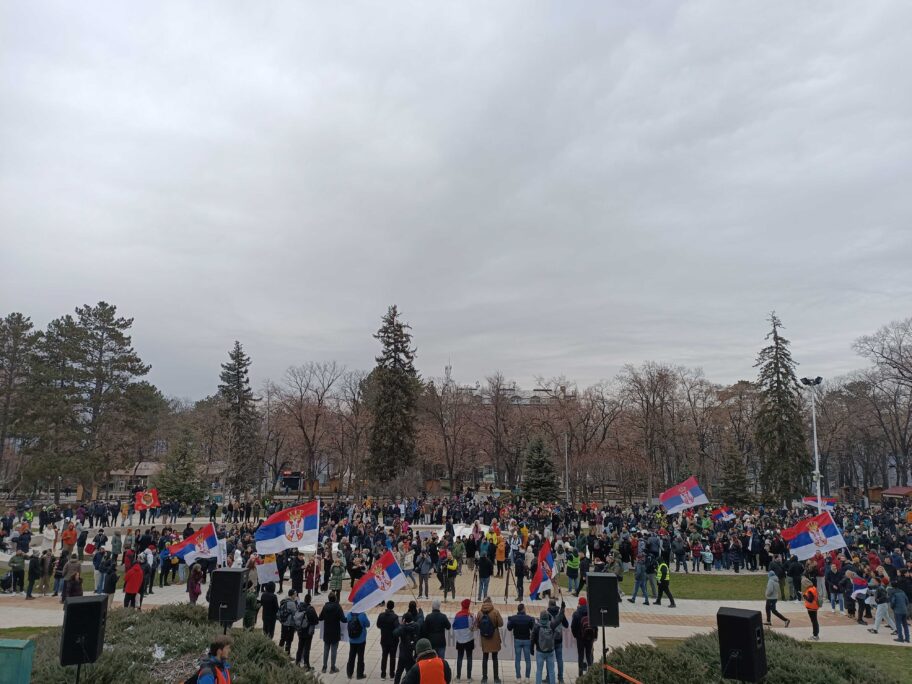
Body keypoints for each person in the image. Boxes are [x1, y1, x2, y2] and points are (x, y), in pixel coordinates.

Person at [475, 596, 504, 684]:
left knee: (485, 657)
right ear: (491, 602)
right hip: (494, 637)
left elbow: (477, 625)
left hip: (484, 638)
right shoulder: (495, 612)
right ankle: (496, 678)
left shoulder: (480, 613)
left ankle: (484, 678)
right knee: (495, 658)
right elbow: (501, 624)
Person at [319, 591, 348, 674]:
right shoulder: (337, 607)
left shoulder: (325, 607)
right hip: (335, 631)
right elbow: (343, 619)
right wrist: (349, 618)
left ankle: (324, 667)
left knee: (326, 649)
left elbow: (320, 618)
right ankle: (332, 667)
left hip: (327, 631)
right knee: (334, 650)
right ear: (335, 598)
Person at [507, 602, 535, 682]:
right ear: (523, 609)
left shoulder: (514, 618)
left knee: (517, 660)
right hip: (526, 640)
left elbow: (509, 628)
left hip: (517, 640)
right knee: (528, 660)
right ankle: (527, 678)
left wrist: (510, 620)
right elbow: (533, 628)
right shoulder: (529, 618)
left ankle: (518, 678)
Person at [394, 609, 423, 684]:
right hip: (412, 654)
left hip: (403, 654)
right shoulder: (416, 626)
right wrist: (421, 612)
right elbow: (421, 619)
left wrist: (402, 625)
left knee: (398, 672)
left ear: (404, 620)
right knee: (411, 674)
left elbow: (395, 633)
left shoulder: (402, 628)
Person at [531, 609, 560, 684]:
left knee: (539, 671)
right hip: (550, 651)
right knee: (551, 671)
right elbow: (559, 619)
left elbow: (532, 638)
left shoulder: (537, 626)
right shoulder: (551, 625)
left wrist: (532, 649)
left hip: (540, 651)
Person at [570, 597, 596, 676]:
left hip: (580, 638)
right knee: (589, 654)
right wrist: (594, 636)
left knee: (581, 655)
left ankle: (580, 672)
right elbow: (595, 626)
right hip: (590, 637)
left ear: (579, 604)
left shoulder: (576, 614)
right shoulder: (592, 612)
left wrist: (575, 635)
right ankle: (591, 672)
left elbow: (573, 626)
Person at [294, 593, 320, 670]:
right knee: (307, 649)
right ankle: (306, 665)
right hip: (308, 632)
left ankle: (297, 663)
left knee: (300, 647)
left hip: (300, 630)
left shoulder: (300, 607)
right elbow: (316, 620)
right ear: (310, 600)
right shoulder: (310, 609)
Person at [546, 599, 569, 683]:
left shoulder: (547, 613)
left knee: (549, 659)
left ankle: (548, 677)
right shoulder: (560, 614)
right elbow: (566, 625)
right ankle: (561, 678)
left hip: (550, 640)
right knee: (560, 659)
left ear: (549, 605)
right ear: (555, 604)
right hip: (559, 639)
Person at [377, 600, 401, 680]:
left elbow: (378, 625)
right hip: (393, 640)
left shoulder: (381, 615)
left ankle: (383, 674)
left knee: (384, 656)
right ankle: (391, 674)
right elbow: (397, 628)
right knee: (392, 657)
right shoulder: (394, 617)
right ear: (393, 607)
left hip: (384, 639)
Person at [454, 598, 476, 681]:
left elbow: (454, 626)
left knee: (459, 657)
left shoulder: (457, 615)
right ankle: (469, 677)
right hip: (469, 640)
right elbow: (473, 627)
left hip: (460, 640)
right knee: (469, 658)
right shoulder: (471, 616)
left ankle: (458, 677)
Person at [345, 610, 371, 680]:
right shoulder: (362, 615)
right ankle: (359, 674)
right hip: (361, 640)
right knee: (360, 657)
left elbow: (347, 622)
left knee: (351, 656)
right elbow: (368, 624)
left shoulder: (349, 615)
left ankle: (349, 673)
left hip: (352, 640)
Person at [278, 589, 300, 654]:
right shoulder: (292, 603)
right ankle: (287, 654)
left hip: (284, 623)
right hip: (290, 624)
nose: (296, 595)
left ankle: (279, 652)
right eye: (295, 594)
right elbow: (296, 614)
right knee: (289, 640)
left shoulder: (284, 601)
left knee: (283, 638)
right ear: (292, 595)